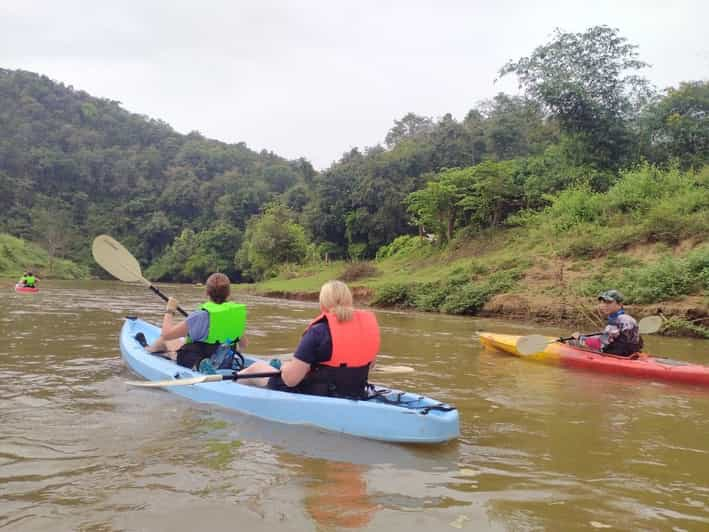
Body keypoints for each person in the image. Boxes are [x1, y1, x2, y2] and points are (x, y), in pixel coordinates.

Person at [238, 280, 380, 398]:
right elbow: (370, 365)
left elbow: (291, 381)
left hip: (316, 395)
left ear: (322, 304)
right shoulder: (367, 327)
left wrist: (285, 368)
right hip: (356, 392)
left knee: (254, 369)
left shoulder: (318, 332)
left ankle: (229, 387)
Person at [144, 272, 248, 369]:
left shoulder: (199, 316)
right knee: (186, 343)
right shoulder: (234, 315)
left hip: (195, 358)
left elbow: (166, 335)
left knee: (165, 340)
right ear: (228, 293)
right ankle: (209, 362)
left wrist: (170, 310)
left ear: (207, 292)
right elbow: (243, 345)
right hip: (224, 361)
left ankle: (147, 351)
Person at [572, 289, 643, 356]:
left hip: (617, 355)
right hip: (630, 353)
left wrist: (580, 338)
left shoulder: (616, 321)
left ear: (619, 304)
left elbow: (600, 344)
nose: (604, 305)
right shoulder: (628, 318)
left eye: (609, 302)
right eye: (602, 302)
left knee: (573, 343)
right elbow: (639, 343)